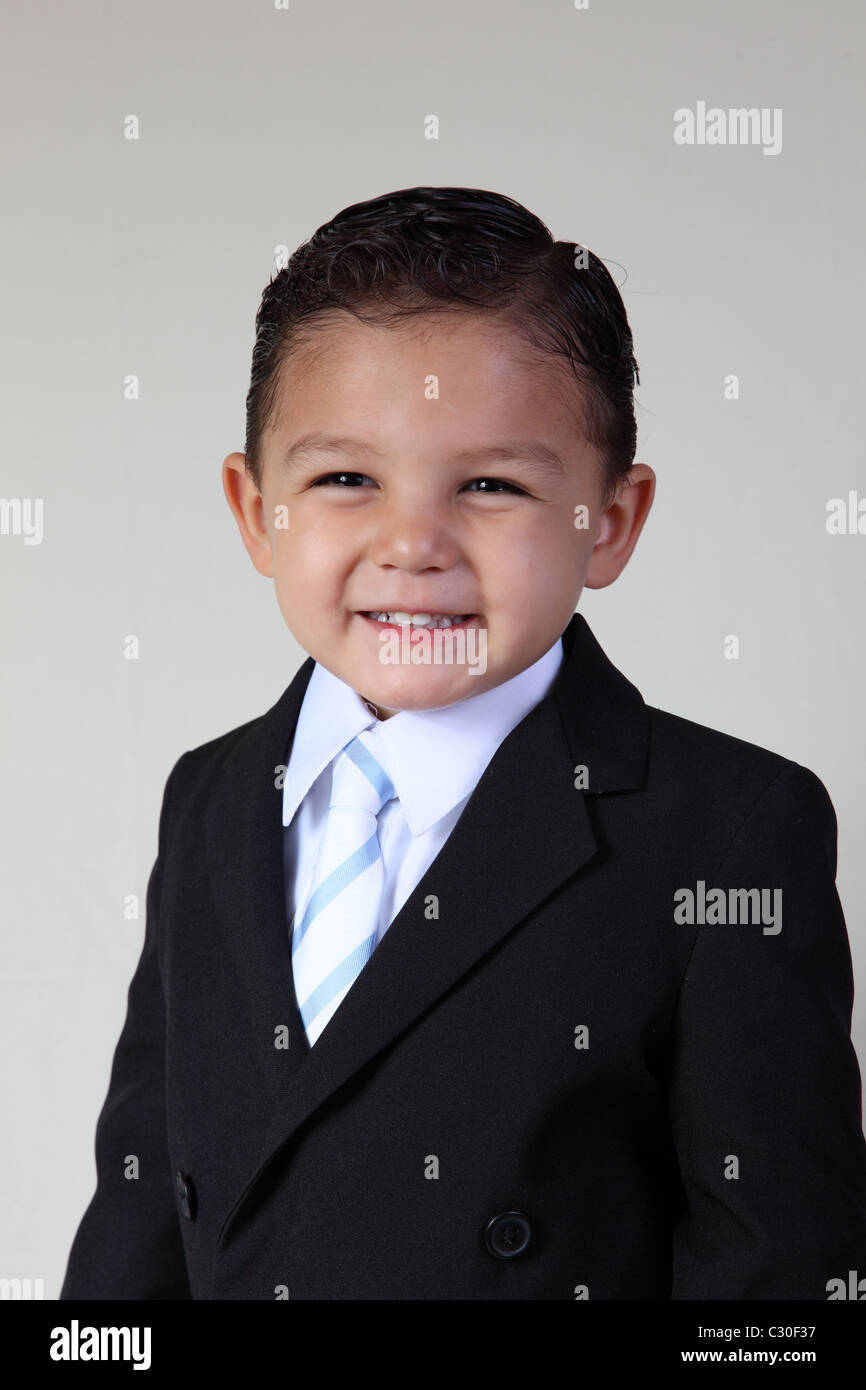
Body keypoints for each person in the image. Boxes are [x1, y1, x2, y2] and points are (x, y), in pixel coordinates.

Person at [60, 186, 866, 1299]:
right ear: (256, 512)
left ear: (609, 522)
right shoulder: (211, 795)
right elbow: (141, 1204)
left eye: (490, 484)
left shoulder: (723, 829)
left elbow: (776, 1271)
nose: (412, 544)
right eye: (345, 479)